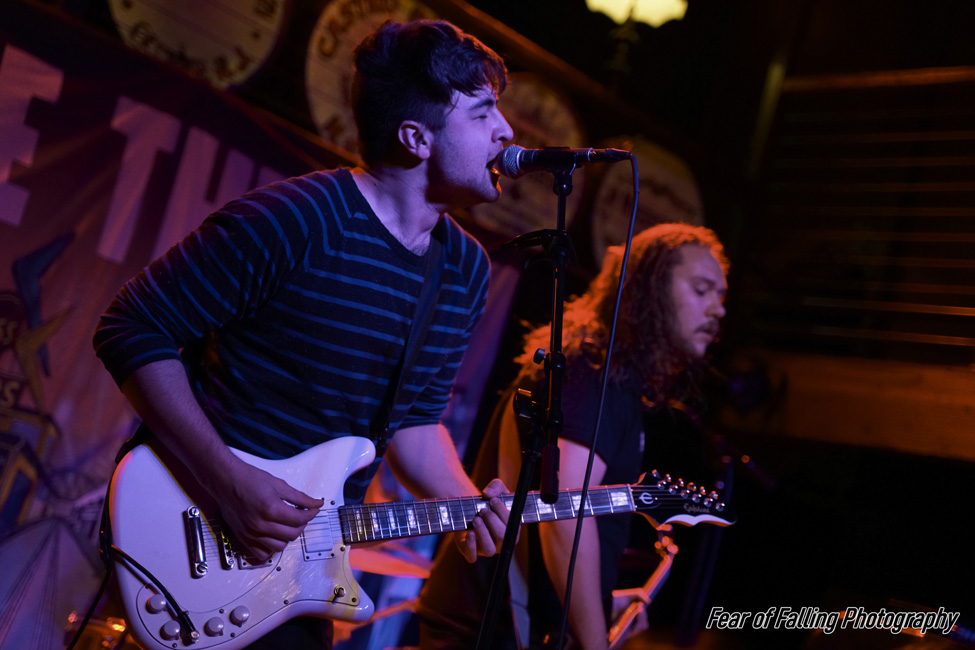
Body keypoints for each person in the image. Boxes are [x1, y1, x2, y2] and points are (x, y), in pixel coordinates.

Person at [93, 19, 516, 650]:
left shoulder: (464, 270)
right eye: (483, 113)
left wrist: (467, 503)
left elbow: (417, 425)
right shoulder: (297, 219)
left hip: (303, 565)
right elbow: (131, 326)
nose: (507, 132)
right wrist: (226, 481)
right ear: (415, 137)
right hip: (201, 532)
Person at [417, 223, 730, 650]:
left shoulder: (606, 373)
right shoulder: (591, 371)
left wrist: (602, 604)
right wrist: (594, 641)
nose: (718, 310)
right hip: (489, 631)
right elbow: (562, 516)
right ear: (650, 289)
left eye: (721, 295)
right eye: (701, 290)